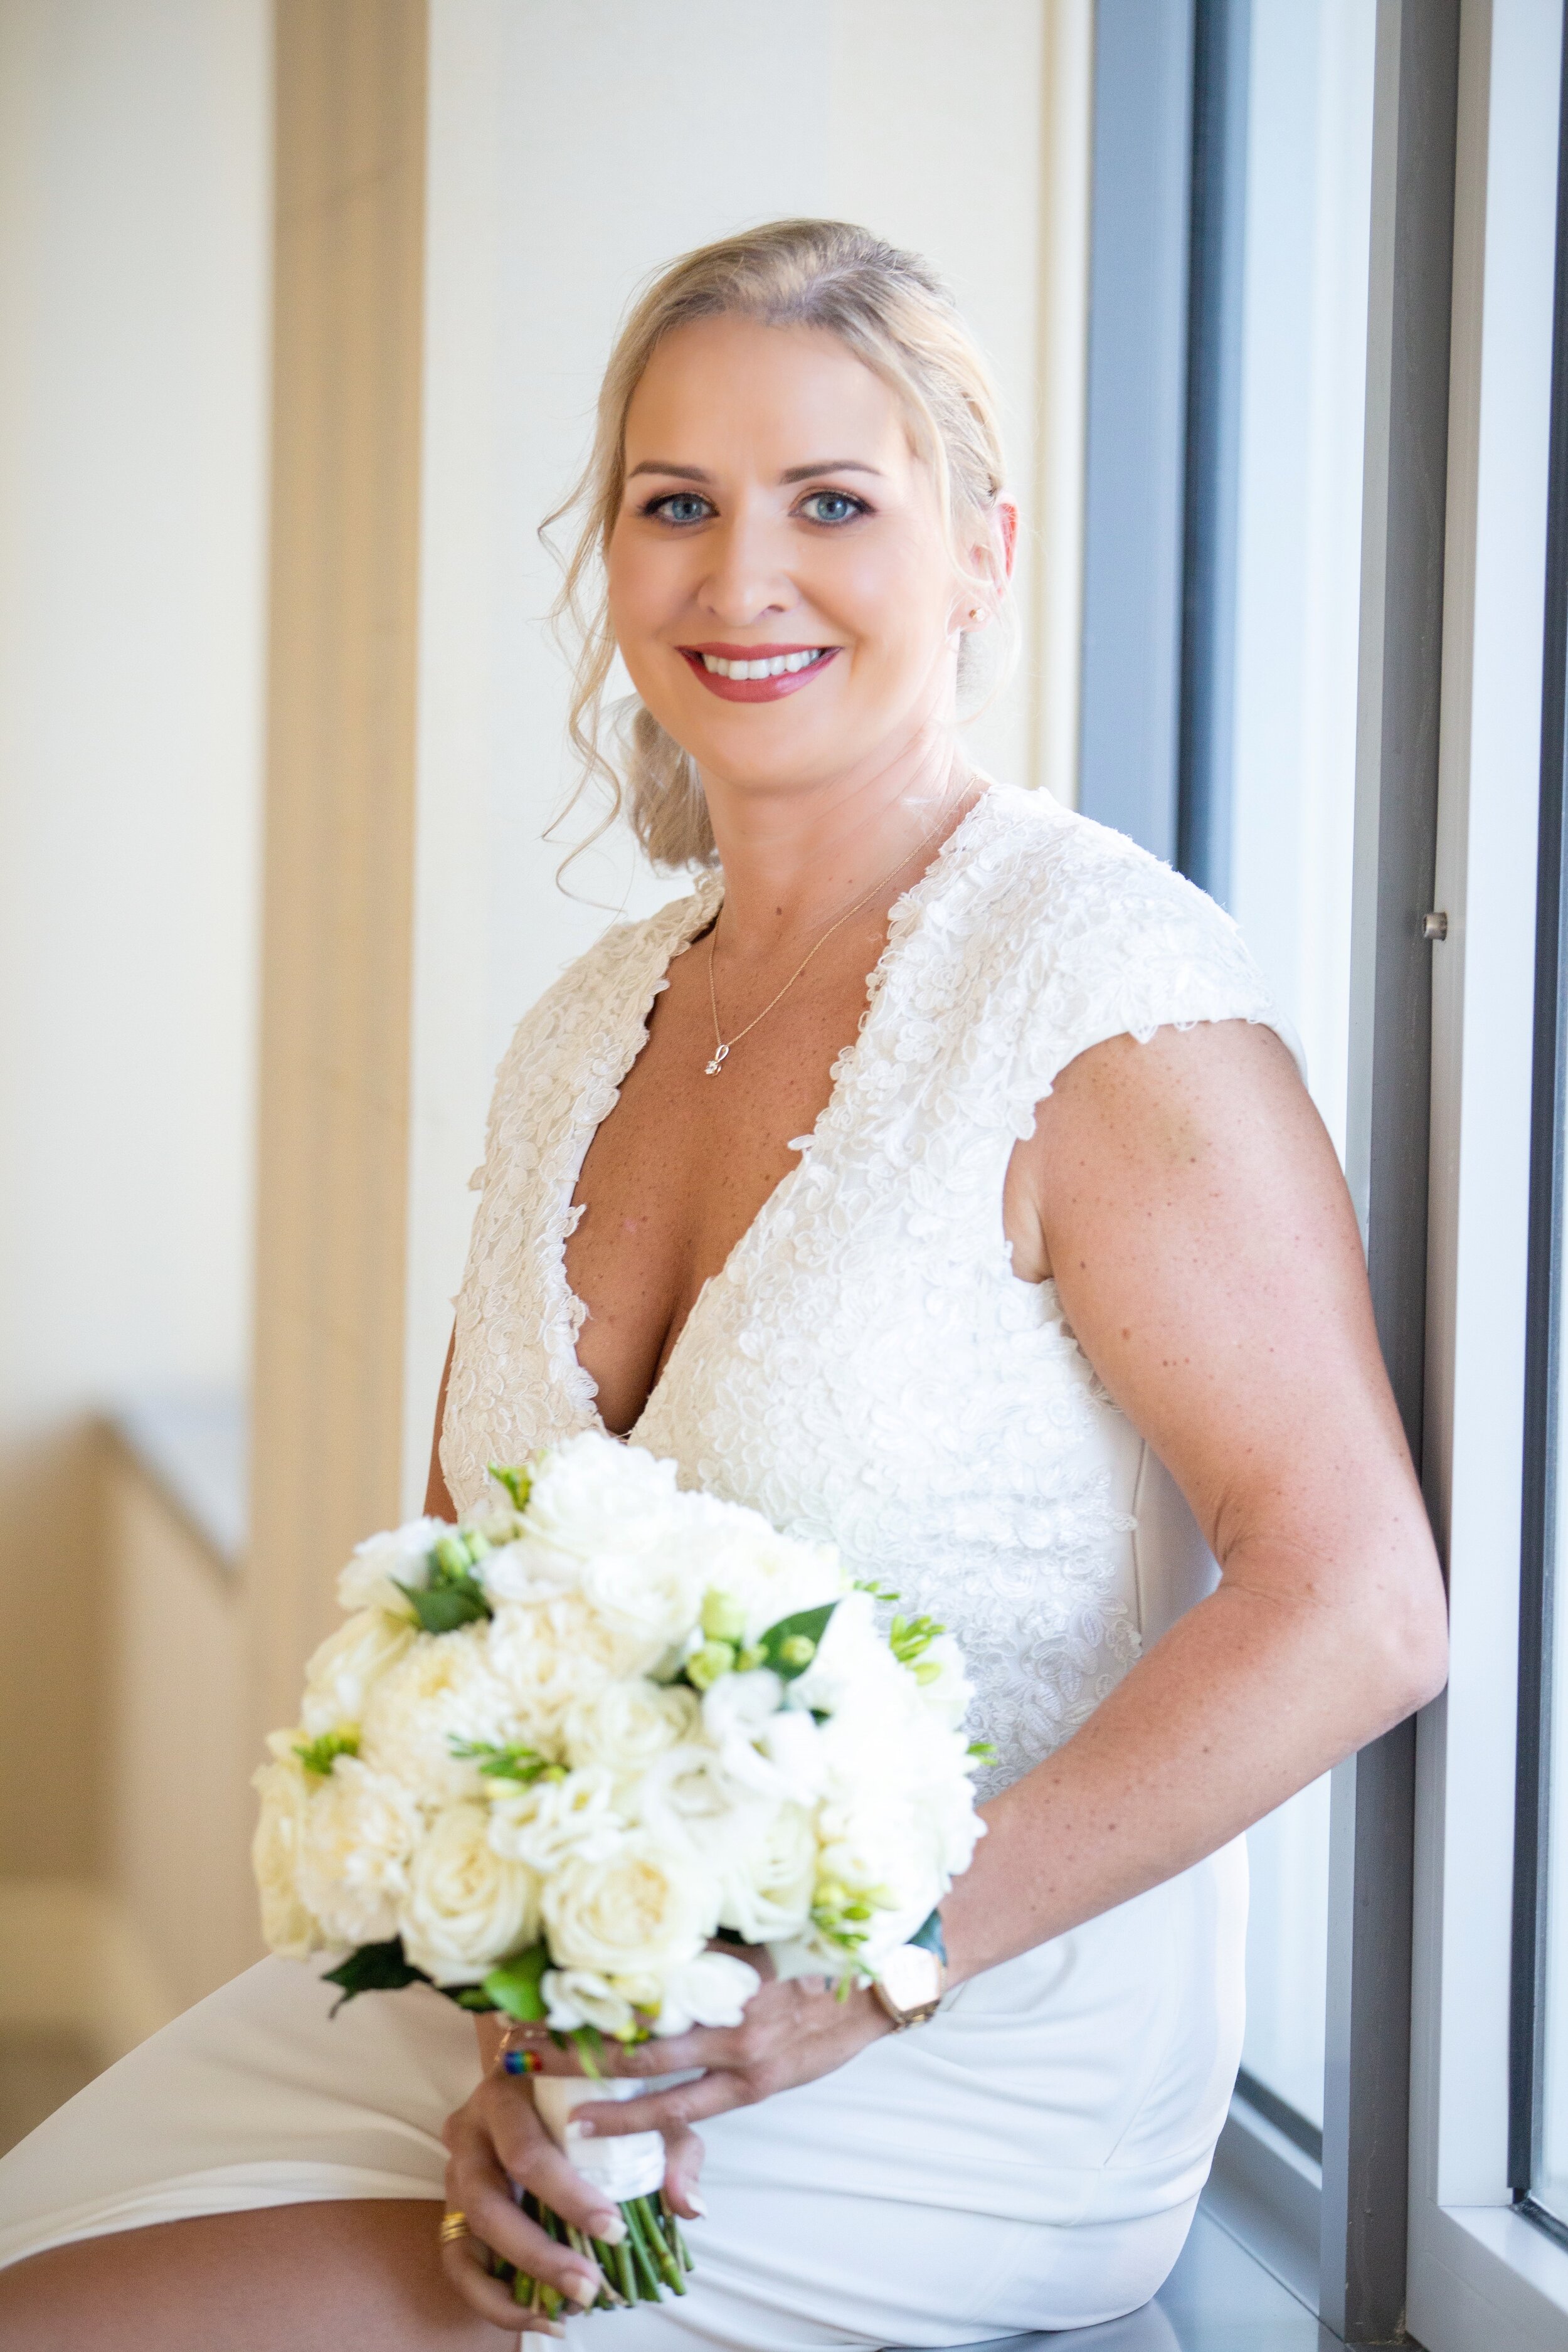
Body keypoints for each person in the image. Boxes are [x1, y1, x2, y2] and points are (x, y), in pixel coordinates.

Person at [0, 219, 1446, 2350]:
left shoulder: (1100, 997)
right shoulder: (589, 1018)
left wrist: (873, 1972)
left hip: (957, 2060)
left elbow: (1356, 1602)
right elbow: (462, 1618)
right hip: (582, 2029)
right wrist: (510, 2027)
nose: (738, 579)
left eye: (830, 504)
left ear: (981, 547)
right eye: (675, 504)